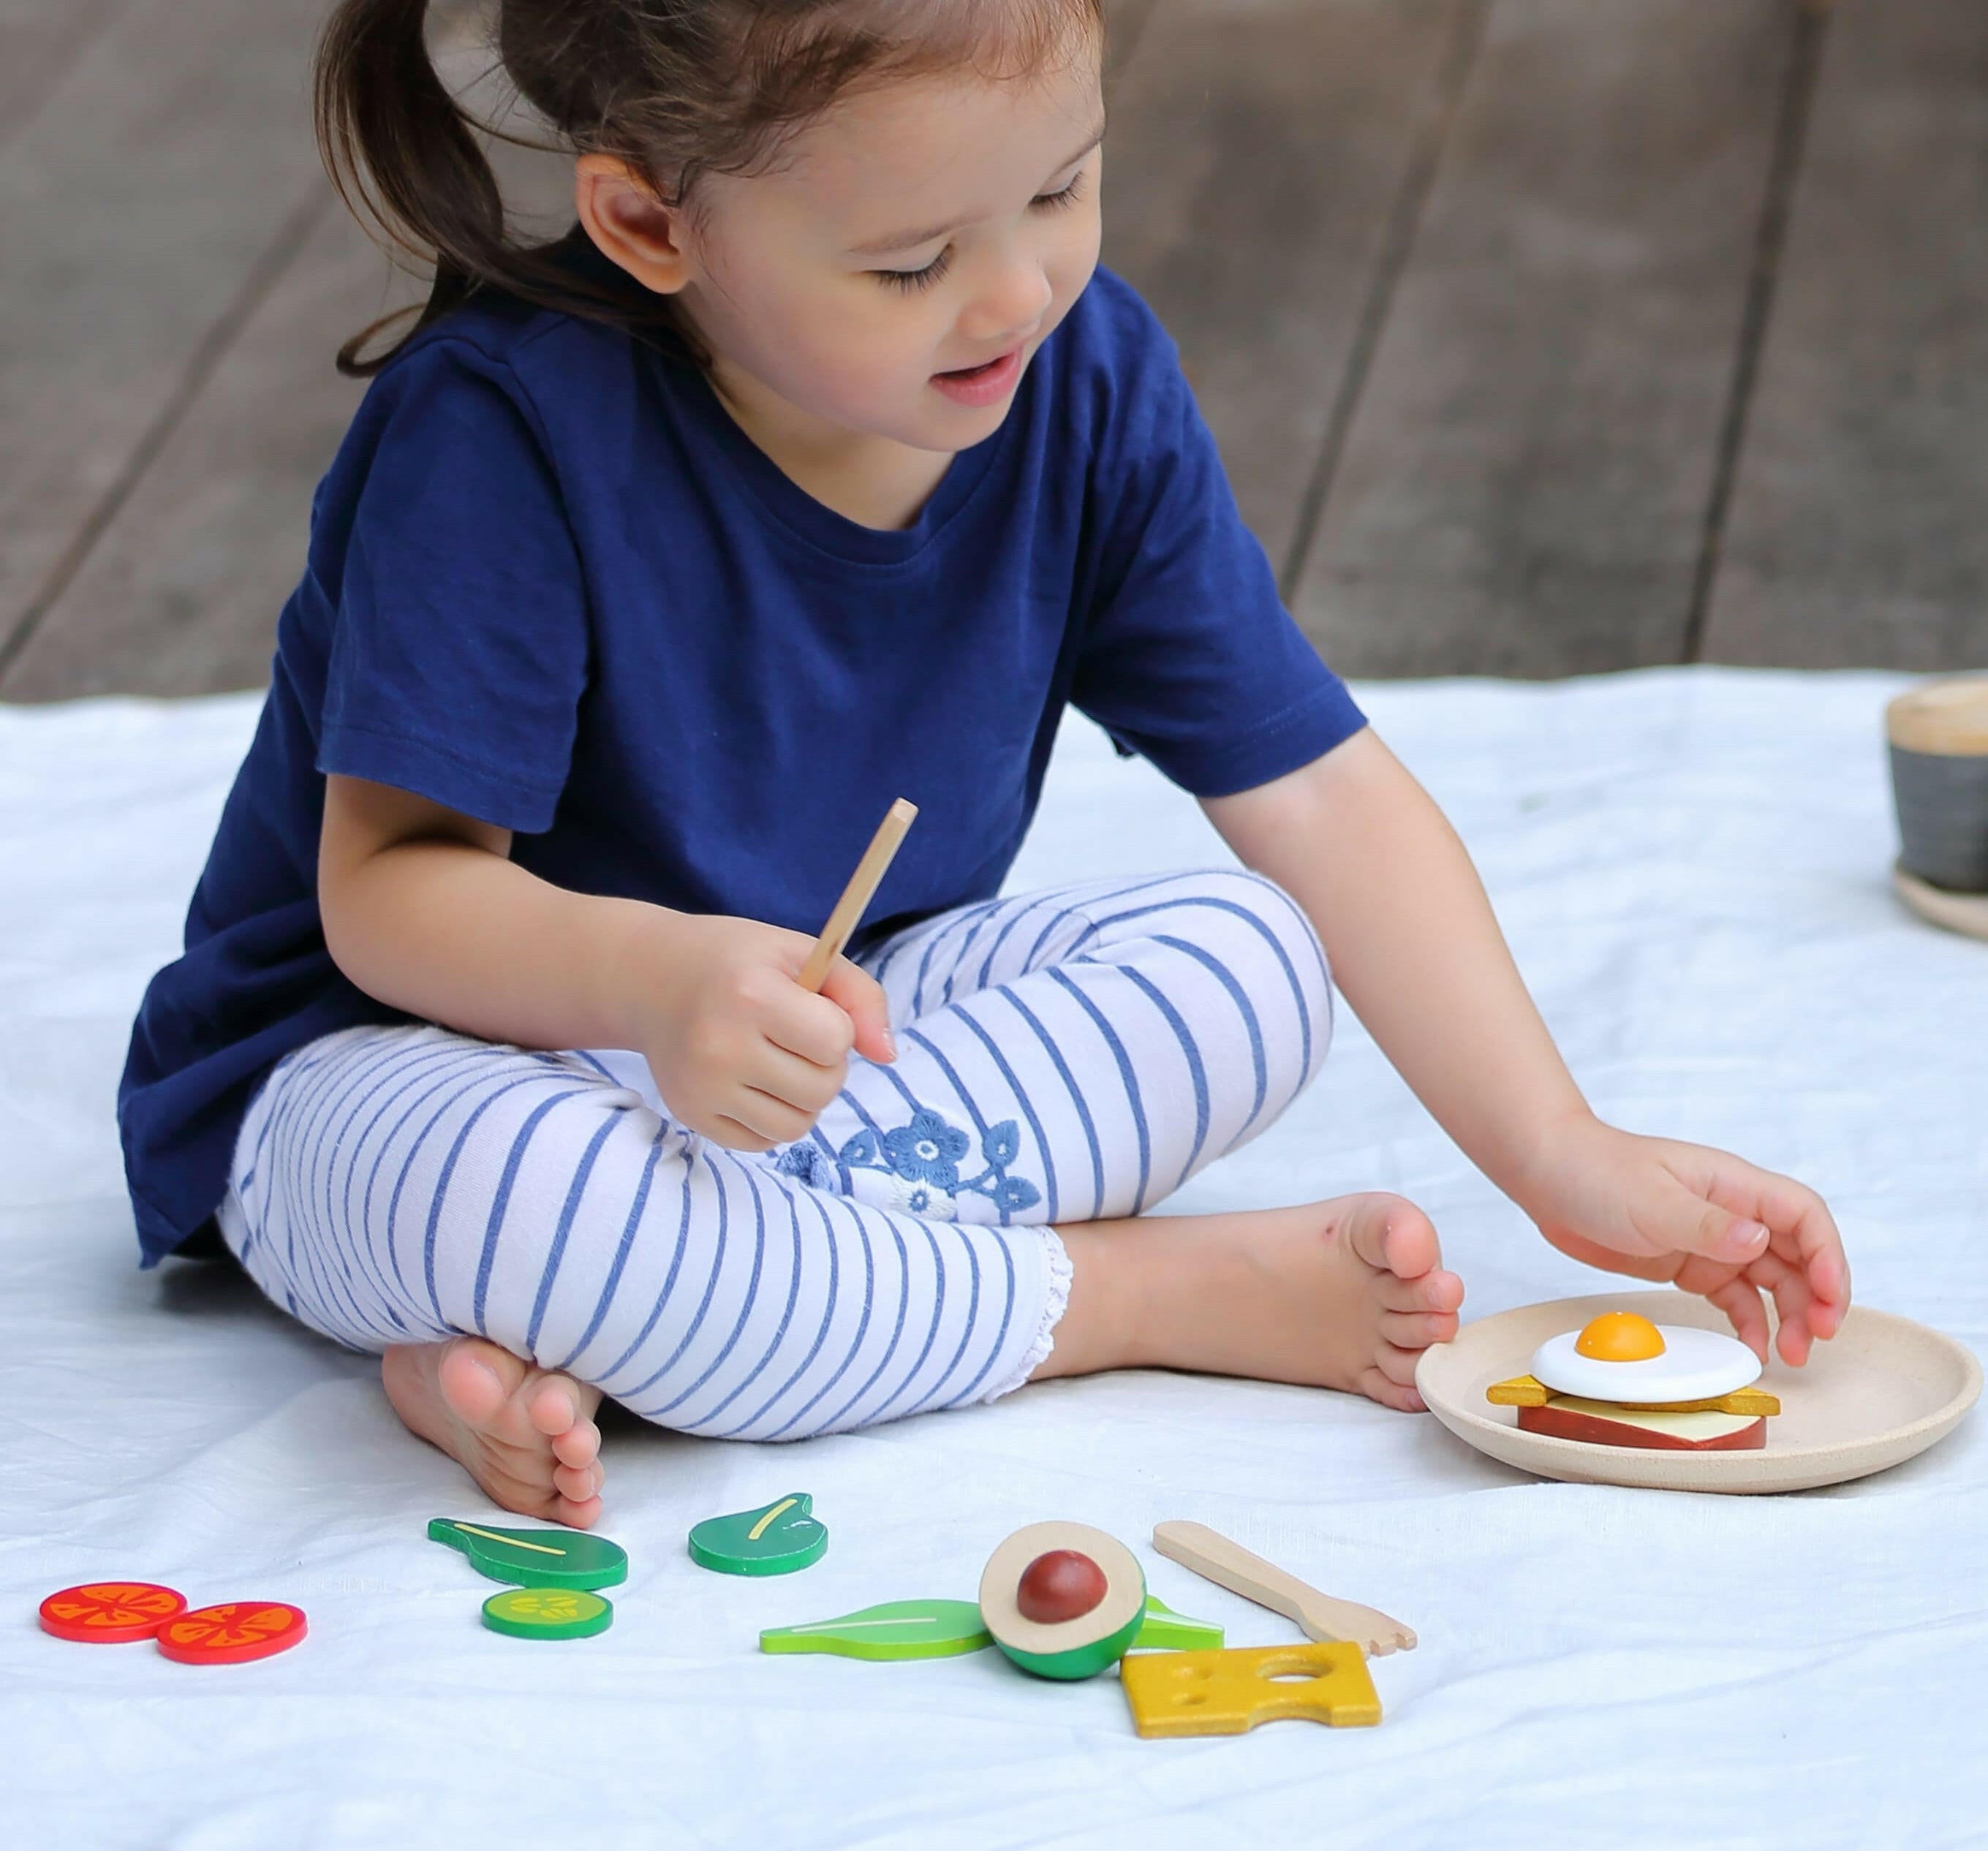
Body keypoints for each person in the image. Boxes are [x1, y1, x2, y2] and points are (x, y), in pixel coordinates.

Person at [118, 0, 1848, 1526]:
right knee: (537, 1195)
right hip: (393, 1064)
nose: (1018, 289)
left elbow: (1316, 793)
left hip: (816, 1050)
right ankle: (1117, 1300)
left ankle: (660, 1315)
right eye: (907, 262)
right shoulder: (498, 430)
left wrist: (1558, 1146)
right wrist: (655, 984)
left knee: (1249, 963)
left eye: (1062, 186)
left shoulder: (1077, 379)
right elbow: (389, 896)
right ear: (651, 220)